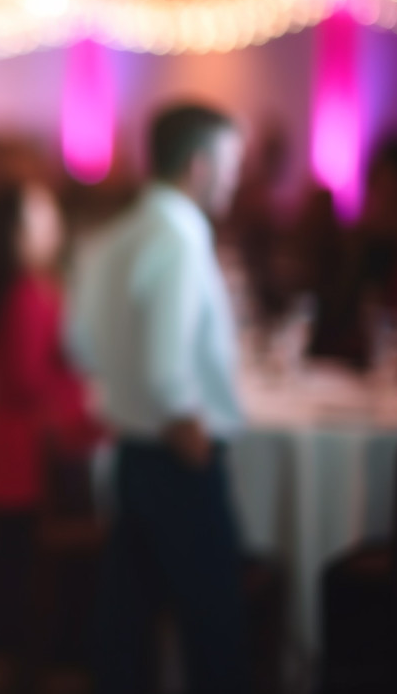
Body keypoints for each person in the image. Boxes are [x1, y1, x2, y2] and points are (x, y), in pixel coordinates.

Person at [66, 103, 248, 694]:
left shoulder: (116, 234)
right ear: (200, 165)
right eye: (231, 164)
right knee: (214, 632)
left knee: (125, 631)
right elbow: (168, 366)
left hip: (133, 453)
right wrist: (187, 428)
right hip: (177, 455)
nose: (234, 179)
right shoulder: (181, 235)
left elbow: (80, 343)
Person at [0, 179, 96, 691]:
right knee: (16, 569)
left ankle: (1, 658)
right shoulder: (28, 292)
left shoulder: (14, 285)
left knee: (6, 567)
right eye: (43, 214)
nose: (55, 222)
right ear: (20, 230)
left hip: (6, 444)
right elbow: (26, 379)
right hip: (25, 450)